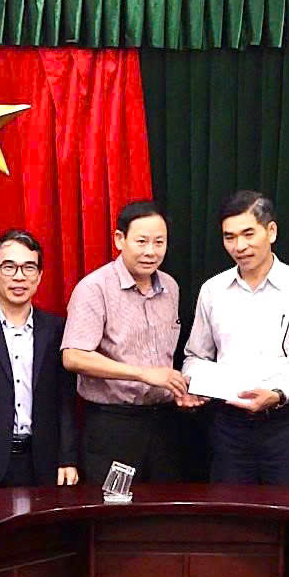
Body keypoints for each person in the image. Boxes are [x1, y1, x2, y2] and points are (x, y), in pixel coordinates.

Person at [183, 190, 289, 485]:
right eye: (229, 237)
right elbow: (195, 356)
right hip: (228, 427)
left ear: (271, 231)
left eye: (248, 234)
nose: (239, 246)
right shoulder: (213, 290)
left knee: (287, 510)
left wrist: (279, 394)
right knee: (229, 511)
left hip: (286, 425)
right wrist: (197, 383)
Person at [61, 200, 203, 484]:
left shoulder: (171, 287)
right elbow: (73, 356)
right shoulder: (94, 288)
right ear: (119, 239)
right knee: (116, 507)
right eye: (141, 241)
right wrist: (142, 374)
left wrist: (181, 389)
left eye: (159, 242)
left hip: (165, 423)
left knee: (165, 506)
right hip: (114, 425)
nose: (151, 251)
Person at [0, 229, 79, 487]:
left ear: (39, 276)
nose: (19, 276)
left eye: (29, 267)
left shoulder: (57, 329)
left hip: (43, 461)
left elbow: (66, 400)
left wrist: (67, 457)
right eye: (9, 267)